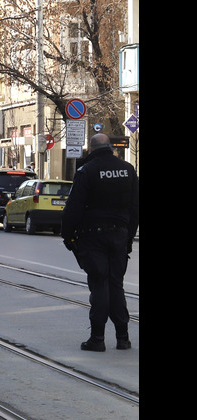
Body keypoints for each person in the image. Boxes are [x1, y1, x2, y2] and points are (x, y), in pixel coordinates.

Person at [61, 133, 139, 352]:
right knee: (116, 284)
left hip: (93, 237)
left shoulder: (87, 171)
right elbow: (135, 208)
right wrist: (129, 236)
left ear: (92, 149)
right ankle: (123, 337)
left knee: (99, 284)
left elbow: (74, 207)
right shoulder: (128, 170)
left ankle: (97, 338)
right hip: (120, 235)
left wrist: (67, 235)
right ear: (111, 147)